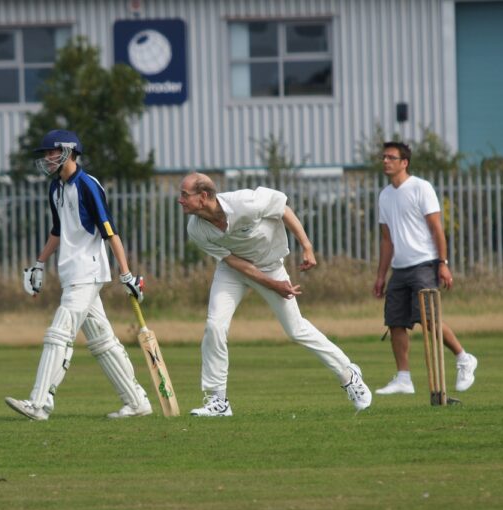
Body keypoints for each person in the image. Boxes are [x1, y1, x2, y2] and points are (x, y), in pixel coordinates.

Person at [178, 172, 372, 415]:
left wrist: (307, 247)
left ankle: (348, 374)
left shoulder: (246, 202)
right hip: (232, 271)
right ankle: (218, 401)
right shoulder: (195, 229)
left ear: (203, 196)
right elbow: (235, 262)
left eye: (185, 195)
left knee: (296, 329)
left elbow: (283, 209)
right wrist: (271, 284)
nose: (180, 200)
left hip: (271, 265)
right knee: (214, 326)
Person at [4, 129, 151, 420]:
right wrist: (39, 263)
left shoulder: (87, 185)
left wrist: (127, 275)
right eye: (45, 154)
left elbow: (110, 232)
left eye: (51, 153)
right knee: (101, 341)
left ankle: (40, 402)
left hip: (89, 271)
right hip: (71, 273)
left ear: (69, 152)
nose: (47, 159)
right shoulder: (55, 188)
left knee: (59, 331)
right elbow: (59, 230)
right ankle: (137, 402)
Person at [373, 141, 477, 395]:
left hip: (424, 264)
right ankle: (404, 378)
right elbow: (387, 240)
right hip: (400, 268)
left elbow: (436, 229)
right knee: (395, 322)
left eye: (391, 157)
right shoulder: (385, 195)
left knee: (429, 320)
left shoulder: (421, 188)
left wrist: (443, 264)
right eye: (384, 157)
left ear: (404, 162)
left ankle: (464, 358)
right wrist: (380, 275)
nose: (385, 161)